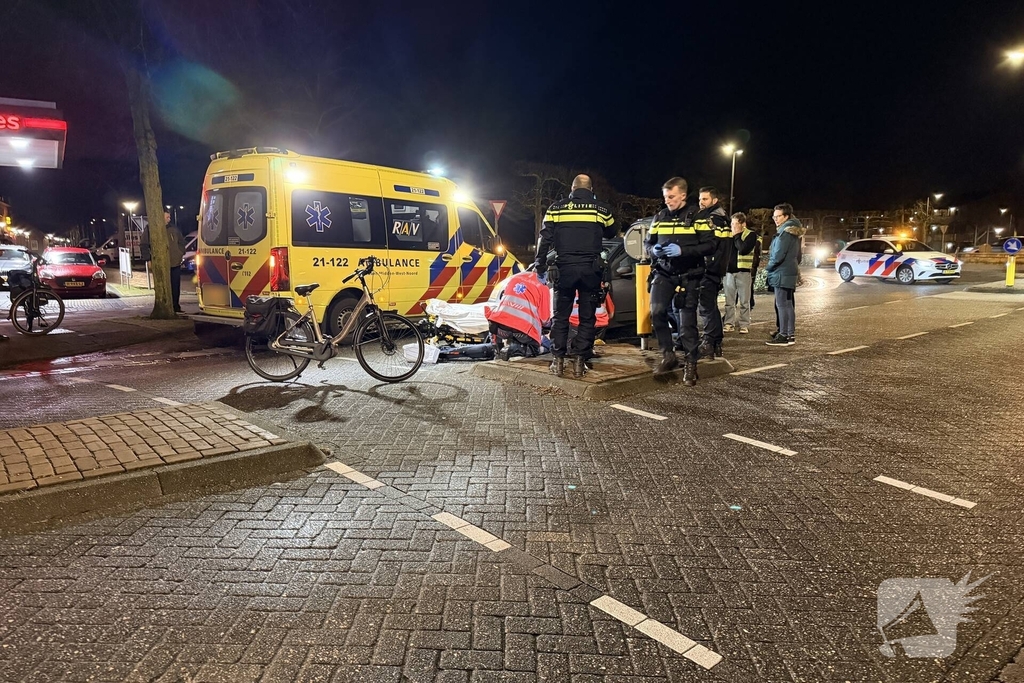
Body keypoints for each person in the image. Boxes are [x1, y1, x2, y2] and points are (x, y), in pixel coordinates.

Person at [534, 174, 616, 378]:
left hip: (565, 269)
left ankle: (558, 361)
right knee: (587, 317)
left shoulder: (556, 208)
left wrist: (540, 264)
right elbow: (612, 232)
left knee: (561, 316)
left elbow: (544, 238)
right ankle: (580, 361)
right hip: (591, 269)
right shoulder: (601, 209)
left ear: (572, 188)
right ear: (591, 190)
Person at [646, 177, 715, 384]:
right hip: (664, 273)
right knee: (656, 312)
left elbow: (710, 245)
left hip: (689, 275)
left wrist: (683, 251)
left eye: (671, 197)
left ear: (683, 195)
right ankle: (668, 355)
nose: (667, 200)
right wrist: (654, 251)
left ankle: (691, 364)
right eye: (666, 197)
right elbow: (648, 243)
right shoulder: (659, 217)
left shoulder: (698, 216)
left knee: (686, 324)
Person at [694, 187, 731, 359]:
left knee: (706, 306)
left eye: (705, 199)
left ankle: (709, 341)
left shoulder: (712, 219)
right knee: (711, 306)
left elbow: (710, 246)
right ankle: (716, 341)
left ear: (714, 201)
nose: (701, 202)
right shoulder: (723, 218)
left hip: (708, 268)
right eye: (700, 199)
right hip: (716, 268)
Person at [765, 203, 804, 346]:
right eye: (774, 216)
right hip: (789, 270)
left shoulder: (785, 233)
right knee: (787, 304)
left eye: (778, 216)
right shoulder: (792, 232)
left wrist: (768, 268)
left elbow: (778, 254)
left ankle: (783, 335)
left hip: (781, 271)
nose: (775, 219)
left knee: (782, 304)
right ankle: (789, 334)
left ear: (786, 216)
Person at [722, 212, 759, 334]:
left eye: (735, 224)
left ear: (743, 224)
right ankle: (729, 323)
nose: (732, 226)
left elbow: (743, 249)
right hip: (728, 272)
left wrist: (737, 235)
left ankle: (744, 324)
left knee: (744, 300)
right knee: (729, 301)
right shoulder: (728, 235)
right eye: (731, 223)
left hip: (743, 271)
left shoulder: (750, 235)